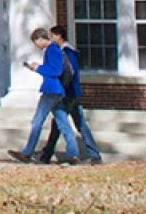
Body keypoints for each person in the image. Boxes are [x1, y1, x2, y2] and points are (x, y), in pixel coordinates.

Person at [7, 26, 79, 165]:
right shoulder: (55, 49)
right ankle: (73, 154)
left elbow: (56, 70)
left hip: (51, 90)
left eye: (35, 42)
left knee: (37, 121)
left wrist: (38, 67)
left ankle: (27, 152)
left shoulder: (52, 50)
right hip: (57, 91)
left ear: (40, 39)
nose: (36, 45)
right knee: (63, 123)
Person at [37, 24, 104, 165]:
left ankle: (48, 155)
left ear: (59, 36)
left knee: (59, 124)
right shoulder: (65, 51)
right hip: (72, 92)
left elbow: (68, 72)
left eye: (52, 35)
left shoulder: (67, 52)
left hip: (69, 93)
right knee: (80, 124)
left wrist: (62, 88)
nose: (51, 38)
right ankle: (94, 155)